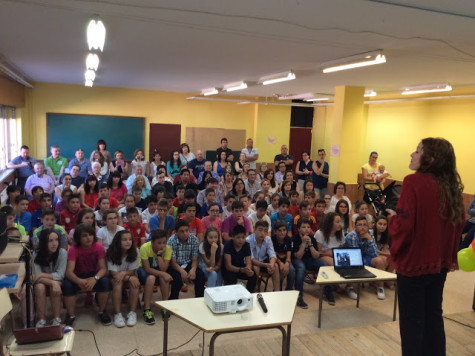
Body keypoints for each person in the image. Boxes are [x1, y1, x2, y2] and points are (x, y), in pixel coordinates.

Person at [386, 138, 464, 355]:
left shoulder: (413, 182)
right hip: (439, 265)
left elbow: (404, 227)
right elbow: (457, 227)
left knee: (412, 325)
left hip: (414, 265)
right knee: (433, 319)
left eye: (418, 151)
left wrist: (392, 220)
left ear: (432, 158)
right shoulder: (451, 188)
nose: (412, 154)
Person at [62, 224, 112, 326]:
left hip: (94, 274)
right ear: (78, 238)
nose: (88, 238)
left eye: (90, 235)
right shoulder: (73, 249)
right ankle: (71, 315)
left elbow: (103, 268)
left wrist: (95, 278)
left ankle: (102, 311)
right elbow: (69, 272)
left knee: (105, 281)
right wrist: (79, 281)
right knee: (67, 285)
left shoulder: (99, 247)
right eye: (84, 236)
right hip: (78, 275)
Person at [292, 219, 334, 307]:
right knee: (301, 269)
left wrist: (310, 244)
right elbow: (298, 256)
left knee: (324, 265)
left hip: (310, 259)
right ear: (298, 229)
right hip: (297, 260)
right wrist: (303, 243)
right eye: (303, 227)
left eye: (308, 227)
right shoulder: (295, 238)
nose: (306, 229)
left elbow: (316, 256)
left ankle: (328, 292)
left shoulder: (312, 238)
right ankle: (299, 296)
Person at [137, 229, 176, 324]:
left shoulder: (168, 249)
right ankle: (147, 310)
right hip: (143, 270)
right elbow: (147, 269)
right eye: (159, 243)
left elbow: (163, 269)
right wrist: (163, 273)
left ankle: (164, 306)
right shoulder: (144, 248)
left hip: (158, 269)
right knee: (151, 278)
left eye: (164, 242)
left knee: (164, 278)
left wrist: (159, 254)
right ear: (152, 242)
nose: (162, 245)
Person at [345, 216, 388, 300]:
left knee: (380, 261)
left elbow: (375, 254)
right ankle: (349, 287)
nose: (362, 227)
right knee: (353, 263)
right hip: (351, 257)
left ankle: (380, 287)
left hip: (365, 256)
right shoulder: (351, 236)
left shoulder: (370, 233)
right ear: (355, 226)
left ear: (368, 226)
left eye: (365, 225)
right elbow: (355, 255)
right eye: (360, 225)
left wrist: (369, 239)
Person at [32, 228, 67, 327]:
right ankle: (41, 320)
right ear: (43, 242)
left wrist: (42, 275)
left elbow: (60, 275)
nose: (54, 243)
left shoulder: (62, 252)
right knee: (39, 287)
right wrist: (52, 282)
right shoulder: (35, 254)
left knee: (55, 287)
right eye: (50, 241)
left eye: (56, 240)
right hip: (43, 282)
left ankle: (56, 318)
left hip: (56, 279)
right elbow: (35, 277)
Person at [106, 230, 140, 328]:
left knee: (135, 282)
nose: (128, 242)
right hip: (113, 278)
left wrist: (125, 274)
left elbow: (132, 271)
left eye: (130, 239)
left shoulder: (135, 251)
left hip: (127, 276)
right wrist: (128, 276)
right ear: (118, 241)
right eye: (124, 240)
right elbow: (114, 274)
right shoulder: (111, 251)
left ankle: (132, 313)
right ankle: (117, 314)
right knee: (118, 283)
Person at [167, 219, 206, 298]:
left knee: (200, 276)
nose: (185, 233)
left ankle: (199, 299)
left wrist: (193, 269)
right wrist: (182, 272)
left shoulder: (194, 239)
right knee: (177, 280)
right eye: (181, 231)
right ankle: (173, 300)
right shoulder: (171, 241)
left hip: (189, 264)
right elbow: (173, 263)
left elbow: (195, 259)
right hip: (176, 266)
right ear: (176, 232)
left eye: (186, 230)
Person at [246, 221, 280, 291]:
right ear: (255, 230)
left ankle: (277, 291)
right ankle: (254, 290)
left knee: (275, 266)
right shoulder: (248, 240)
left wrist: (271, 265)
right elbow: (251, 259)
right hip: (252, 263)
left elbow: (272, 254)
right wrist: (266, 265)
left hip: (264, 261)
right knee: (256, 268)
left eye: (265, 231)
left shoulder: (268, 239)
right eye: (260, 230)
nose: (263, 233)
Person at [222, 225, 257, 292]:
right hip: (228, 269)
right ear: (233, 237)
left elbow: (248, 262)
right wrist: (242, 270)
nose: (241, 240)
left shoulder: (246, 245)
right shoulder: (228, 245)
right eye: (238, 237)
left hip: (240, 267)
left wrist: (248, 269)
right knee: (232, 278)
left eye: (243, 237)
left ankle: (249, 294)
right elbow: (228, 266)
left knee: (253, 275)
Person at [271, 220, 295, 291]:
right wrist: (280, 263)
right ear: (275, 232)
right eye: (280, 230)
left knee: (291, 270)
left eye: (284, 230)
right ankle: (278, 289)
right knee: (280, 271)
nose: (282, 232)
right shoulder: (272, 240)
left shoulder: (288, 239)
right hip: (276, 261)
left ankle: (289, 289)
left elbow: (288, 255)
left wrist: (287, 263)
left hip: (285, 260)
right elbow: (274, 255)